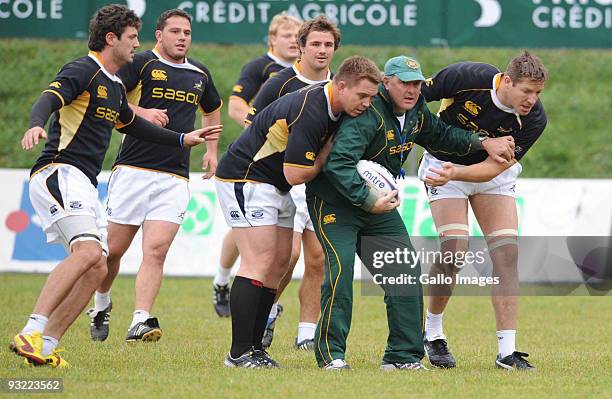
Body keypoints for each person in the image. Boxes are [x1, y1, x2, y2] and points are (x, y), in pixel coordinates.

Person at [9, 4, 221, 368]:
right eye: (132, 39)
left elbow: (133, 125)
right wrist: (35, 123)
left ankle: (45, 345)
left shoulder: (113, 85)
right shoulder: (84, 69)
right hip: (58, 172)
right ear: (112, 39)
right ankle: (30, 329)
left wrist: (182, 139)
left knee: (96, 266)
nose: (136, 46)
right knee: (91, 255)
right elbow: (49, 97)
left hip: (86, 183)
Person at [306, 56, 516, 371]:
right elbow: (338, 163)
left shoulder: (416, 111)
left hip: (379, 204)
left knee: (404, 271)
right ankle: (331, 355)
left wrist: (482, 141)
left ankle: (402, 357)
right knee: (340, 272)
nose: (412, 89)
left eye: (417, 83)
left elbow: (442, 135)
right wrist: (366, 199)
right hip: (336, 203)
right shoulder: (369, 114)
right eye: (404, 82)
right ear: (386, 82)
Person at [214, 56, 382, 368]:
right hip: (245, 177)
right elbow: (295, 173)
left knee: (278, 264)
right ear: (341, 86)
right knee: (259, 262)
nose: (367, 104)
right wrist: (324, 157)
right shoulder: (312, 108)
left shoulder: (336, 105)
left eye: (372, 97)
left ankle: (255, 348)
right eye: (362, 96)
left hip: (273, 184)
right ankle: (238, 354)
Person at [85, 8, 222, 343]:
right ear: (159, 35)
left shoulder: (199, 72)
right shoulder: (140, 64)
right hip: (133, 169)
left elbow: (212, 107)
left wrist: (212, 150)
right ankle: (101, 303)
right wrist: (142, 111)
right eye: (175, 31)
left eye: (187, 32)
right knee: (114, 250)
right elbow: (111, 100)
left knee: (157, 250)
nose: (182, 38)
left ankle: (140, 318)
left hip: (174, 176)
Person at [417, 51, 548, 370]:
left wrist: (457, 173)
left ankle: (507, 351)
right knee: (455, 250)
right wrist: (452, 152)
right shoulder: (467, 77)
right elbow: (415, 99)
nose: (531, 100)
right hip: (443, 164)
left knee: (507, 253)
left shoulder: (533, 119)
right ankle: (433, 334)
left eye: (538, 93)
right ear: (506, 81)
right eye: (526, 91)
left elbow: (491, 169)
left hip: (485, 176)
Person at [213, 12, 301, 318]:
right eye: (287, 35)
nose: (293, 40)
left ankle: (268, 308)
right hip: (258, 164)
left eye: (296, 35)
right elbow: (236, 105)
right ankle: (222, 280)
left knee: (287, 254)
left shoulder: (311, 74)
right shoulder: (261, 67)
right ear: (273, 39)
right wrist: (259, 127)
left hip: (293, 168)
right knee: (246, 237)